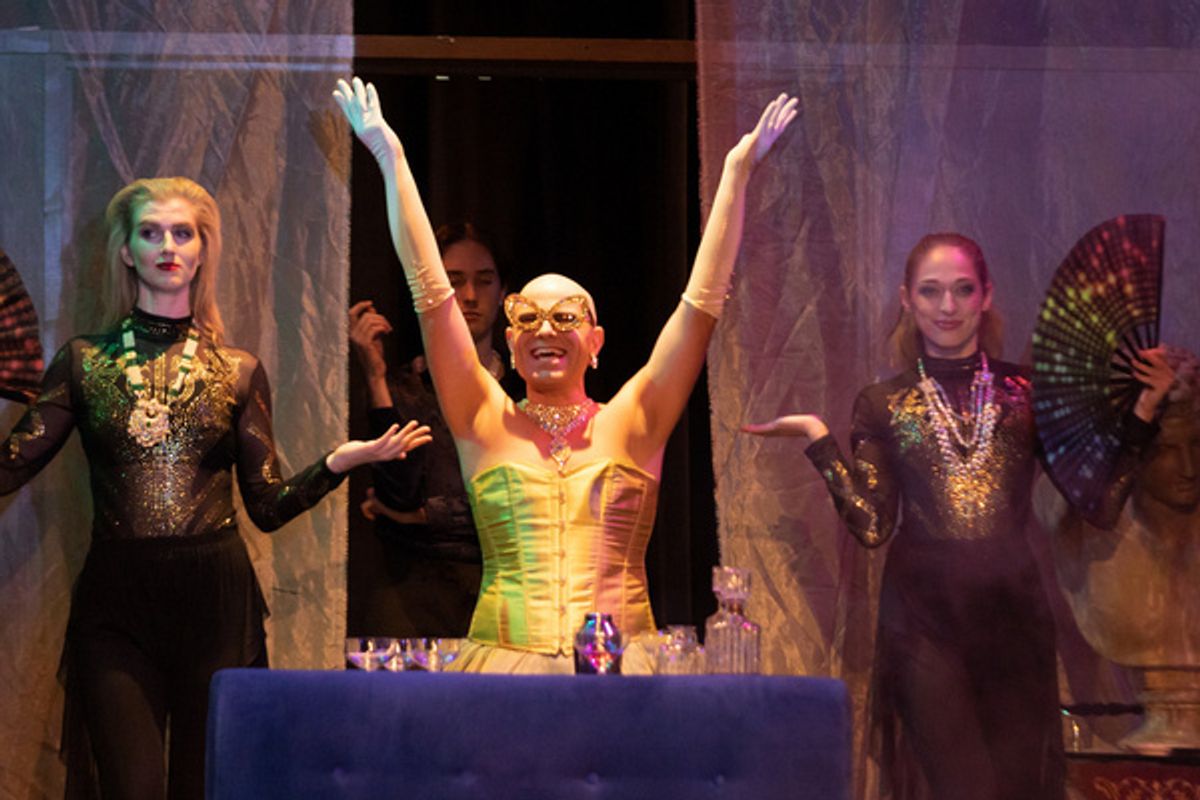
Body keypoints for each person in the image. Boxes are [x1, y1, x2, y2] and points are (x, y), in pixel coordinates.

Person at [334, 76, 797, 673]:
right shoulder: (484, 419)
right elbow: (429, 290)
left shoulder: (635, 422)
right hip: (505, 673)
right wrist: (390, 158)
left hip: (625, 674)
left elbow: (700, 306)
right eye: (527, 317)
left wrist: (735, 175)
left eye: (565, 317)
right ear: (510, 341)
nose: (545, 330)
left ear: (595, 343)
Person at [0, 177, 430, 799]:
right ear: (127, 250)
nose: (168, 245)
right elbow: (12, 465)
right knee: (133, 787)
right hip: (118, 603)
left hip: (215, 603)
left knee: (206, 785)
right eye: (151, 232)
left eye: (183, 233)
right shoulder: (84, 362)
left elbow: (269, 506)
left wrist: (337, 462)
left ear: (203, 250)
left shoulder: (237, 369)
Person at [744, 233, 1174, 799]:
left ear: (985, 295)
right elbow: (872, 526)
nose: (947, 307)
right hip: (923, 626)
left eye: (962, 290)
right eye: (931, 291)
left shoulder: (1029, 391)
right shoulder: (884, 403)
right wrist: (820, 441)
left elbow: (1100, 500)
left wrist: (1145, 408)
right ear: (907, 299)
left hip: (1013, 621)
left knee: (1018, 788)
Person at [350, 222, 520, 637]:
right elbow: (395, 497)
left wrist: (424, 515)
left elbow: (521, 508)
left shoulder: (522, 396)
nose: (469, 296)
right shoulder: (402, 389)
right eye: (453, 282)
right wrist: (374, 378)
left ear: (504, 295)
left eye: (483, 281)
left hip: (499, 596)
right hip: (410, 598)